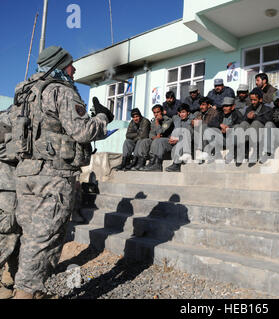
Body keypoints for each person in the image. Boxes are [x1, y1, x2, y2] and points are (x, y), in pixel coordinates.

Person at [10, 46, 113, 299]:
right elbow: (83, 132)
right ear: (59, 66)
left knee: (29, 233)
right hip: (52, 175)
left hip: (26, 174)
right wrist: (102, 117)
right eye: (70, 64)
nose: (74, 69)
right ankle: (25, 294)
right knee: (45, 237)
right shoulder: (60, 90)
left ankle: (18, 284)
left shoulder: (25, 94)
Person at [0, 108, 19, 300]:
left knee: (17, 235)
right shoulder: (7, 117)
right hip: (6, 188)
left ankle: (10, 278)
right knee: (7, 235)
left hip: (15, 187)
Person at [143, 104, 195, 172]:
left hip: (184, 145)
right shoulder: (176, 119)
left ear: (188, 113)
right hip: (173, 141)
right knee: (158, 141)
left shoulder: (192, 121)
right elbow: (169, 116)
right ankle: (157, 164)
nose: (181, 114)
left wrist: (178, 139)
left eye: (183, 112)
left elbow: (189, 135)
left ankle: (176, 165)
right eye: (180, 112)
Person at [238, 88, 274, 162]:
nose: (252, 102)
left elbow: (268, 120)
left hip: (262, 133)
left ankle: (256, 152)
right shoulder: (249, 108)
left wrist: (255, 116)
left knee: (256, 123)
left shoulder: (267, 109)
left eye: (254, 100)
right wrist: (247, 117)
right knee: (243, 124)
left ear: (260, 100)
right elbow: (243, 121)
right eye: (251, 100)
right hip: (251, 133)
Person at [134, 105, 174, 171]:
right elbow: (151, 134)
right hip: (157, 140)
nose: (156, 114)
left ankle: (157, 165)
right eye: (154, 113)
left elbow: (161, 131)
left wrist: (157, 123)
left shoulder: (168, 120)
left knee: (157, 140)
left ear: (162, 112)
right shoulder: (153, 122)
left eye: (158, 112)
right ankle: (142, 163)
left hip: (167, 141)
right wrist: (155, 136)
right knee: (144, 141)